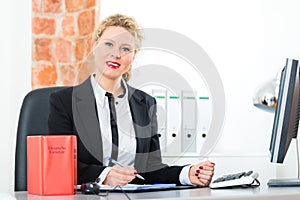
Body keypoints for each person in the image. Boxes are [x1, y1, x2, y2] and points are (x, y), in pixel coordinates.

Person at [48, 13, 215, 187]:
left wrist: (187, 174)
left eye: (125, 48)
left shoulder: (146, 103)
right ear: (95, 47)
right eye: (109, 44)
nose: (116, 54)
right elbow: (58, 164)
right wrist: (104, 175)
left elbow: (150, 169)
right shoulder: (64, 102)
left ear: (133, 56)